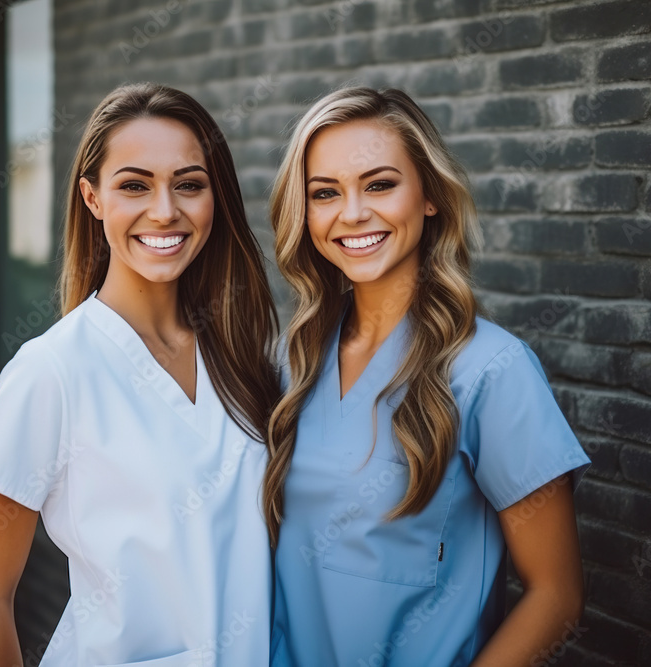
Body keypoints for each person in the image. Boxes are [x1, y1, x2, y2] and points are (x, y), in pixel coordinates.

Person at [0, 83, 281, 667]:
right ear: (93, 197)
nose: (165, 210)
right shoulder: (50, 372)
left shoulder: (243, 355)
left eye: (189, 184)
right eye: (134, 185)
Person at [265, 87, 591, 666]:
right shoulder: (291, 363)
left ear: (431, 196)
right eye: (325, 193)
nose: (352, 212)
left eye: (379, 185)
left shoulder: (493, 370)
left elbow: (556, 597)